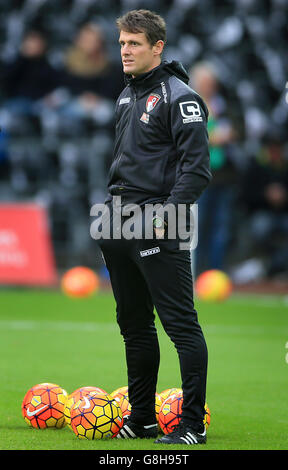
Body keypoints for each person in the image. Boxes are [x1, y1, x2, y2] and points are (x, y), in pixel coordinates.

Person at [97, 9, 211, 445]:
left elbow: (196, 170)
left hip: (158, 222)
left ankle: (192, 425)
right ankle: (142, 418)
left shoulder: (179, 96)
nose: (124, 51)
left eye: (134, 44)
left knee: (181, 325)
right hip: (118, 221)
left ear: (157, 47)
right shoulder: (126, 95)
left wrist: (165, 214)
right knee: (134, 326)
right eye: (122, 43)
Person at [189, 62, 237, 274]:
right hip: (198, 176)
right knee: (197, 227)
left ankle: (216, 272)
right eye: (204, 82)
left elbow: (240, 129)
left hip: (224, 176)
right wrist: (208, 137)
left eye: (211, 82)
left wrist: (231, 134)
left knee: (221, 227)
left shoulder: (225, 106)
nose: (209, 86)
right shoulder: (188, 104)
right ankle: (194, 272)